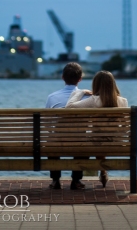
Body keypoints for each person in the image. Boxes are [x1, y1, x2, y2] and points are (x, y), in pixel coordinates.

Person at [66, 70, 128, 187]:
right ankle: (103, 171)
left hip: (96, 143)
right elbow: (125, 127)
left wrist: (80, 92)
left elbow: (69, 107)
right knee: (101, 138)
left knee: (87, 142)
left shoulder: (93, 100)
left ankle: (76, 180)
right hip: (117, 143)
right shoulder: (123, 101)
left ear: (96, 85)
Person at [45, 62, 85, 190]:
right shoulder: (87, 97)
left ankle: (55, 180)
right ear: (80, 79)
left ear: (63, 77)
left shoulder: (52, 97)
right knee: (83, 139)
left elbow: (47, 123)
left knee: (51, 140)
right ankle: (76, 180)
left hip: (58, 140)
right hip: (79, 141)